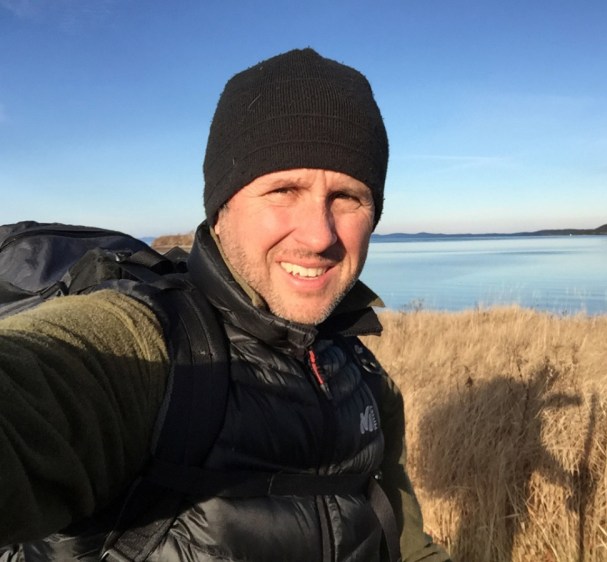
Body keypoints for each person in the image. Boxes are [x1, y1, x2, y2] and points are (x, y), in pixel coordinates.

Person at [0, 48, 451, 561]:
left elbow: (406, 542)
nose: (320, 235)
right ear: (221, 209)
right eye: (284, 190)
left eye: (348, 197)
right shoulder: (149, 346)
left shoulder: (361, 372)